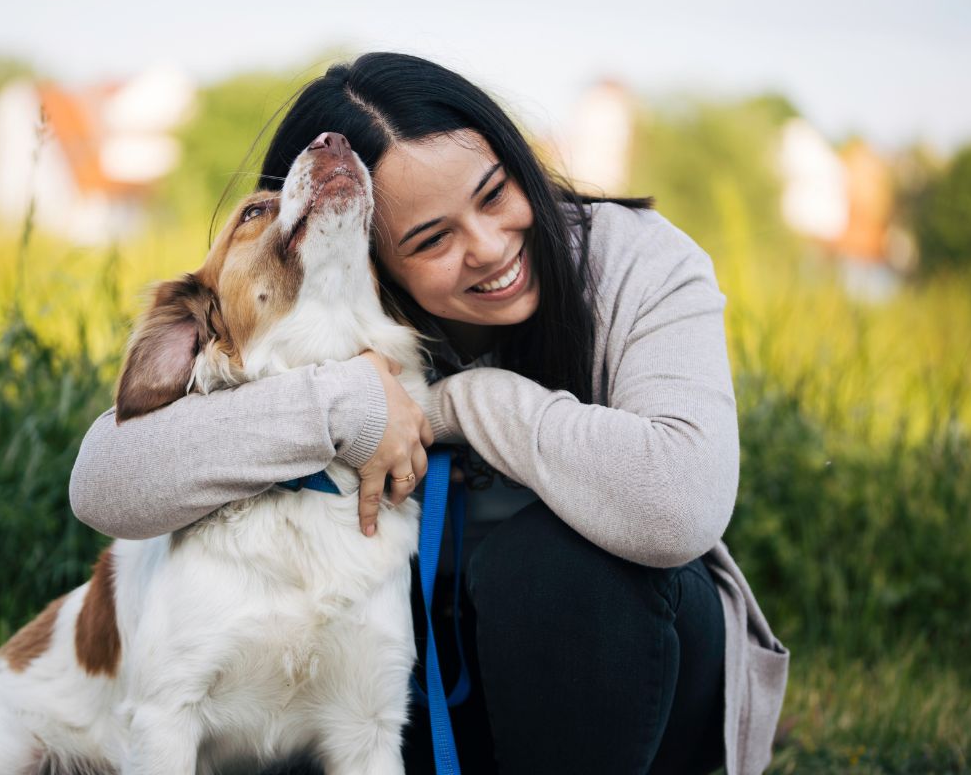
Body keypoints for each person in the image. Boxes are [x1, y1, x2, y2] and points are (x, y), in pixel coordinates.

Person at [69, 52, 788, 774]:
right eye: (432, 240)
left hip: (631, 679)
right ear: (367, 254)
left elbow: (679, 503)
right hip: (411, 698)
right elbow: (104, 482)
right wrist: (343, 402)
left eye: (495, 193)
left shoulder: (636, 262)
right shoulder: (343, 320)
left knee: (550, 564)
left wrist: (455, 405)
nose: (490, 248)